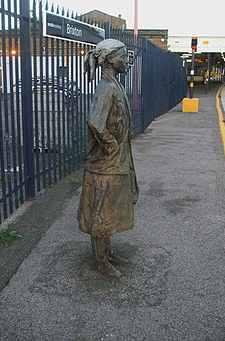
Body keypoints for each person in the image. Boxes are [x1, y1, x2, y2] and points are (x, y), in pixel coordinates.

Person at [77, 38, 139, 278]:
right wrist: (111, 146)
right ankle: (101, 260)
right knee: (101, 211)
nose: (126, 61)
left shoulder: (114, 84)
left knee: (110, 209)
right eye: (123, 57)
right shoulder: (107, 88)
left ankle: (108, 251)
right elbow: (95, 122)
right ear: (110, 60)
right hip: (105, 164)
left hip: (116, 161)